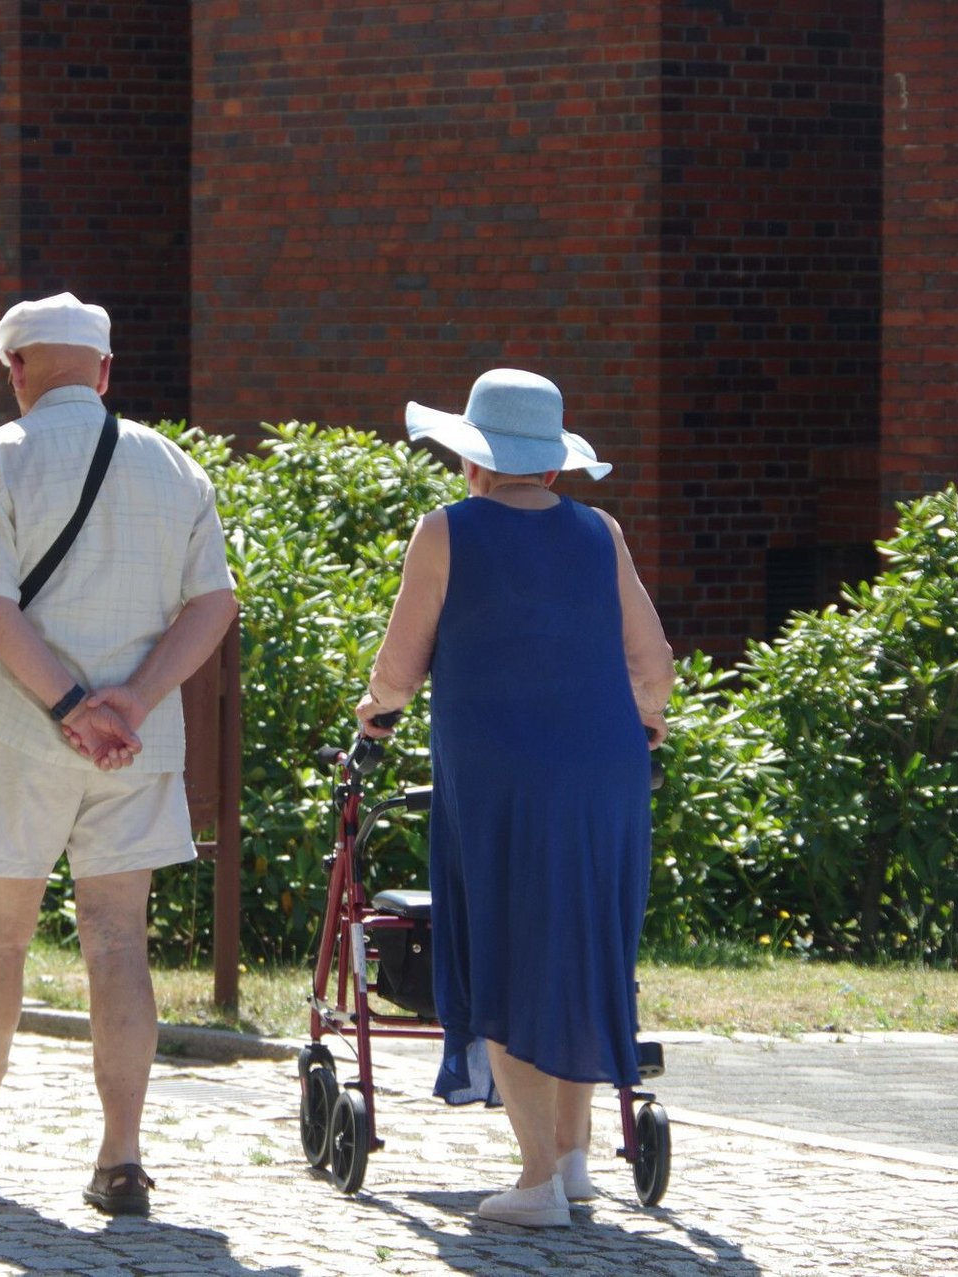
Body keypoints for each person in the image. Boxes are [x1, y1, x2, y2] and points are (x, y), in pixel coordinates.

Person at [0, 292, 237, 1217]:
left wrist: (68, 705)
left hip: (17, 731)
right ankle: (121, 1156)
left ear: (16, 370)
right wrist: (130, 698)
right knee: (119, 940)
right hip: (138, 743)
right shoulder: (174, 465)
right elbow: (213, 604)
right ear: (103, 371)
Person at [354, 368, 674, 1228]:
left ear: (472, 463)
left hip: (500, 779)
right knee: (578, 945)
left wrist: (374, 711)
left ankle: (536, 1179)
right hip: (605, 778)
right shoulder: (599, 533)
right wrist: (643, 724)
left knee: (507, 947)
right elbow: (656, 668)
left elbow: (399, 667)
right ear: (554, 467)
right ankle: (570, 1161)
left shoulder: (445, 531)